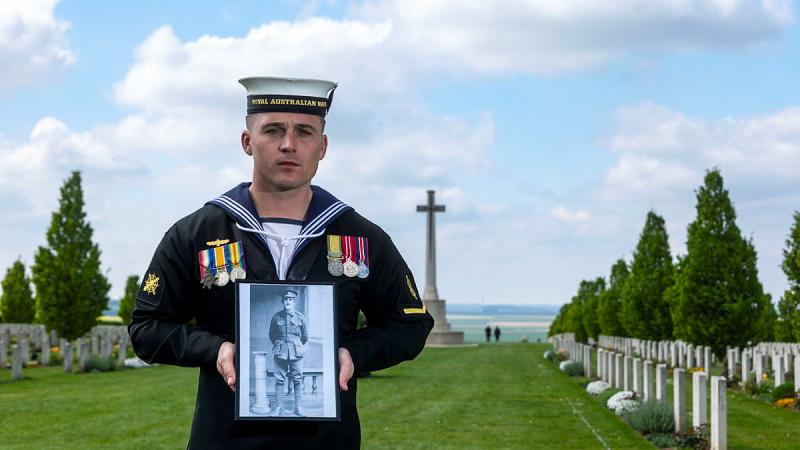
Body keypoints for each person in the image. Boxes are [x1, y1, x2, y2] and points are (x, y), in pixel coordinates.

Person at [129, 76, 434, 449]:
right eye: (273, 130)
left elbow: (410, 324)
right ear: (247, 142)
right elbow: (147, 328)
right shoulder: (197, 233)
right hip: (224, 440)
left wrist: (353, 353)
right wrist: (217, 350)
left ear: (322, 147)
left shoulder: (361, 236)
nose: (289, 144)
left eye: (304, 132)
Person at [268, 288, 308, 416]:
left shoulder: (301, 318)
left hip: (296, 352)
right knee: (279, 380)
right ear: (283, 301)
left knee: (298, 379)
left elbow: (305, 337)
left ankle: (299, 408)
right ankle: (278, 408)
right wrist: (279, 344)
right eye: (286, 299)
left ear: (294, 302)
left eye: (290, 299)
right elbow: (272, 335)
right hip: (280, 352)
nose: (288, 302)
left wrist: (297, 345)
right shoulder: (276, 317)